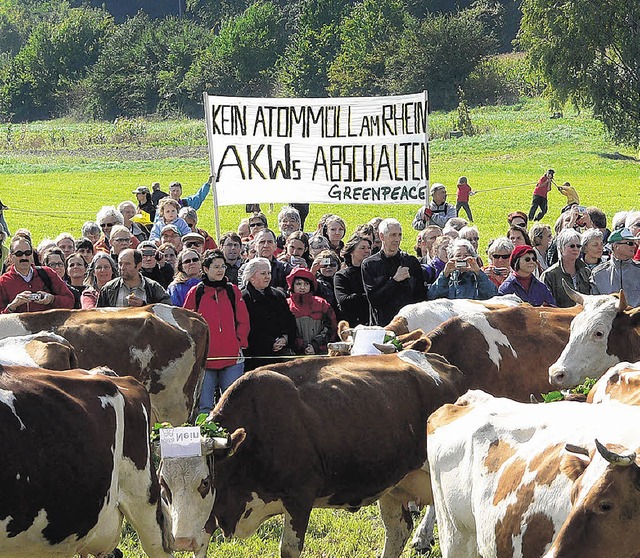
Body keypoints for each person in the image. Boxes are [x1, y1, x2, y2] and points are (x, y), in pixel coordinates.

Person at [184, 249, 250, 414]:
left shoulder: (232, 291)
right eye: (216, 267)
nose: (220, 270)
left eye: (223, 266)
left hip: (231, 357)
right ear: (206, 269)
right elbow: (186, 323)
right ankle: (207, 437)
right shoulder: (196, 292)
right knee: (205, 405)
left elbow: (243, 319)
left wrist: (240, 343)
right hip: (205, 358)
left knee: (232, 405)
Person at [362, 218, 425, 326]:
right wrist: (395, 281)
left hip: (409, 324)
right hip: (383, 325)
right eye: (393, 235)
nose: (397, 239)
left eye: (399, 235)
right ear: (382, 236)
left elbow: (420, 296)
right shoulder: (369, 264)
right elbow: (374, 300)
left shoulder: (410, 262)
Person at [241, 257, 297, 371]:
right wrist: (269, 343)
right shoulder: (243, 298)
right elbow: (247, 328)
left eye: (269, 273)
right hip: (255, 357)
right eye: (263, 273)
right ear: (251, 277)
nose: (267, 276)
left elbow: (289, 320)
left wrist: (285, 337)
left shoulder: (278, 295)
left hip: (280, 354)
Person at [0, 237, 74, 313]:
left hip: (48, 323)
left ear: (32, 255)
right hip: (17, 324)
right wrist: (13, 306)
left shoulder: (47, 273)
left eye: (27, 253)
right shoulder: (3, 282)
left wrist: (52, 299)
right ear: (11, 257)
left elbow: (70, 301)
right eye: (19, 254)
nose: (24, 257)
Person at [286, 267, 337, 355]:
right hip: (294, 355)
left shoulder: (322, 303)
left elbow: (331, 328)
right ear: (292, 286)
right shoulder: (286, 305)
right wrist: (302, 346)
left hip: (320, 353)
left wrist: (315, 346)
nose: (302, 287)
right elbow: (286, 331)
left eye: (306, 284)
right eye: (298, 284)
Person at [97, 249, 171, 307]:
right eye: (120, 264)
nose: (122, 268)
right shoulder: (108, 289)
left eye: (127, 264)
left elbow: (166, 310)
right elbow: (99, 316)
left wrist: (144, 306)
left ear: (139, 265)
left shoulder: (153, 287)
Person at [428, 239, 497, 300]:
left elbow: (492, 294)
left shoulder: (478, 277)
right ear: (451, 258)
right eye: (458, 256)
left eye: (466, 256)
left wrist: (478, 272)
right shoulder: (448, 278)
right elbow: (432, 296)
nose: (462, 259)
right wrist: (445, 274)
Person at [541, 228, 591, 307]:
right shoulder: (549, 275)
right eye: (572, 246)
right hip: (560, 317)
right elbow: (547, 304)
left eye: (578, 246)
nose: (576, 249)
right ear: (561, 249)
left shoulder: (586, 271)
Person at [590, 228, 640, 306]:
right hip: (610, 317)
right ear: (616, 246)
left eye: (635, 243)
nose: (634, 246)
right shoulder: (598, 274)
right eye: (630, 243)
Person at [334, 235, 372, 326]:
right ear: (351, 252)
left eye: (369, 248)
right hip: (352, 323)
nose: (367, 251)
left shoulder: (374, 272)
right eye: (362, 248)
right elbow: (344, 301)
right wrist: (370, 295)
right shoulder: (342, 276)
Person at [311, 249, 340, 314]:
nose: (328, 267)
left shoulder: (342, 280)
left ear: (338, 266)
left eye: (332, 264)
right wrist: (313, 271)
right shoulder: (316, 283)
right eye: (324, 265)